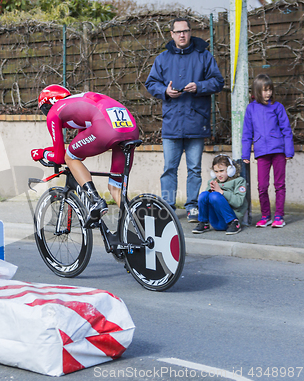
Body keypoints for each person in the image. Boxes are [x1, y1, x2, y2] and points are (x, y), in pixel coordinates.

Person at [145, 17, 224, 223]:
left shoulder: (204, 56)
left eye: (186, 31)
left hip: (196, 122)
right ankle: (168, 207)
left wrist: (199, 86)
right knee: (169, 169)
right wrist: (165, 91)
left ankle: (192, 207)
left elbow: (218, 81)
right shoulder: (162, 58)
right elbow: (151, 83)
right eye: (178, 32)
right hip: (171, 124)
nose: (182, 35)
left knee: (194, 169)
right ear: (171, 34)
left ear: (190, 33)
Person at [31, 85, 139, 227]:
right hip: (130, 129)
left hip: (106, 127)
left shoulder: (54, 111)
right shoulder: (78, 102)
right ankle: (138, 228)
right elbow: (81, 153)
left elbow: (60, 157)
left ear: (46, 105)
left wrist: (42, 153)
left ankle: (96, 201)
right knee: (115, 188)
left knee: (70, 158)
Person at [242, 74, 294, 228]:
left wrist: (288, 151)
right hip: (261, 152)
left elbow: (286, 129)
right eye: (265, 90)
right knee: (262, 186)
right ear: (258, 91)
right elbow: (247, 132)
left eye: (270, 89)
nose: (268, 93)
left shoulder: (277, 107)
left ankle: (279, 216)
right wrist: (245, 153)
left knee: (279, 185)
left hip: (278, 151)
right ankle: (266, 216)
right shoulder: (251, 108)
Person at [192, 155, 248, 235]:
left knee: (214, 196)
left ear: (230, 170)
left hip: (229, 220)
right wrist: (210, 190)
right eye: (216, 172)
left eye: (221, 171)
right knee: (204, 194)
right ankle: (203, 223)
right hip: (216, 221)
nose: (219, 175)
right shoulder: (213, 181)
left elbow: (238, 202)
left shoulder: (239, 181)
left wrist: (221, 192)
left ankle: (234, 223)